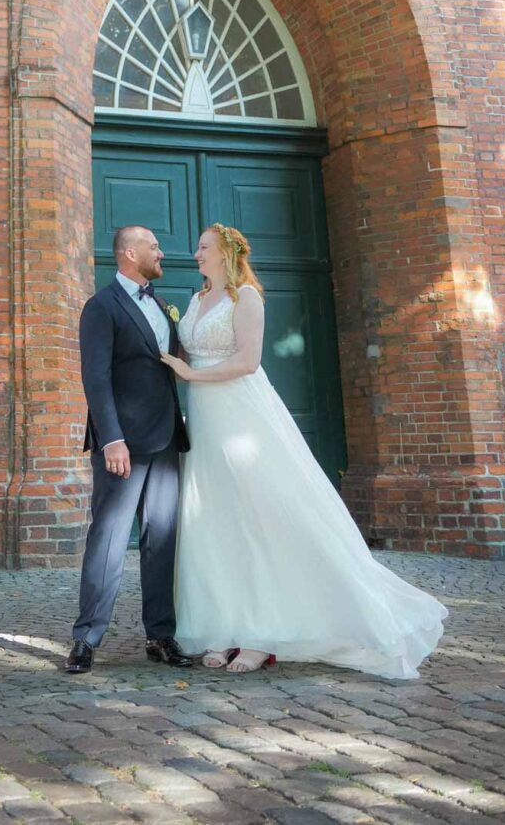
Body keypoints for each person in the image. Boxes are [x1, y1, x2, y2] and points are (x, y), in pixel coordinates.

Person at [160, 223, 448, 680]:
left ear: (226, 253)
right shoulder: (196, 300)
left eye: (203, 247)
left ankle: (261, 635)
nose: (196, 254)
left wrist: (191, 375)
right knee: (214, 517)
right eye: (198, 248)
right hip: (205, 421)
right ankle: (222, 623)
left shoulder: (246, 297)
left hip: (241, 413)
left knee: (259, 515)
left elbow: (247, 361)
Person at [66, 225, 192, 674]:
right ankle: (86, 638)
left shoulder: (160, 303)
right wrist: (111, 438)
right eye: (154, 247)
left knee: (162, 540)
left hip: (165, 440)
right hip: (122, 445)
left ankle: (160, 636)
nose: (162, 253)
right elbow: (96, 377)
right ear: (131, 253)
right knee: (109, 539)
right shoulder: (101, 307)